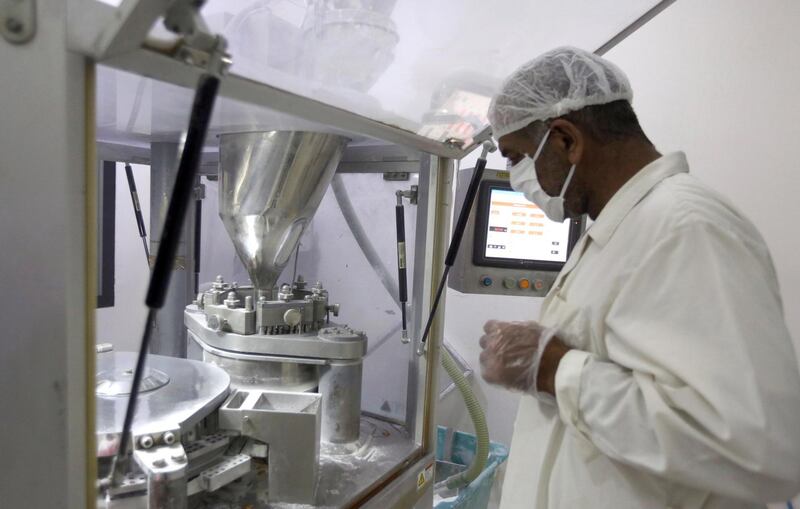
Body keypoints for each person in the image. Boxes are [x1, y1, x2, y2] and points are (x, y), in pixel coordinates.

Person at [479, 46, 800, 509]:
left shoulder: (686, 228)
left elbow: (756, 450)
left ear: (566, 139)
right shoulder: (626, 226)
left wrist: (554, 369)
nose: (517, 180)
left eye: (516, 159)